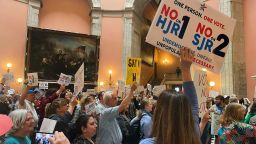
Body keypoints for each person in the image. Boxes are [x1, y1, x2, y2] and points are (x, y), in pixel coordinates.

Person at [140, 47, 201, 144]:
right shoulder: (193, 134)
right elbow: (193, 106)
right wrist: (185, 69)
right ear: (186, 112)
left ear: (160, 113)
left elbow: (193, 107)